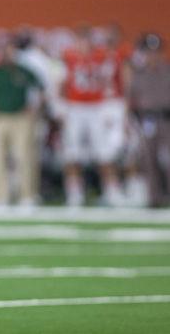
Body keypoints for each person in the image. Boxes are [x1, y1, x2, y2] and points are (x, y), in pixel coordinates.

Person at [61, 27, 124, 206]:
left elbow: (113, 79)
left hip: (97, 108)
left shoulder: (102, 57)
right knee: (72, 152)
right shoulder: (68, 58)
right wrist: (63, 107)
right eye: (80, 41)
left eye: (86, 40)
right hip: (75, 108)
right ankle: (74, 194)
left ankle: (112, 191)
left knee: (104, 152)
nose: (83, 45)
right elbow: (60, 84)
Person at [0, 40, 43, 205]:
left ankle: (27, 196)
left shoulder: (24, 71)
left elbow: (41, 88)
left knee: (23, 157)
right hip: (0, 117)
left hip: (20, 118)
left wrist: (33, 109)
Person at [129, 33, 170, 207]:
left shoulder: (167, 71)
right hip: (146, 120)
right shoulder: (138, 74)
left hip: (166, 119)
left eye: (155, 51)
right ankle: (154, 198)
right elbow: (132, 99)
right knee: (148, 160)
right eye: (149, 52)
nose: (152, 55)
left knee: (167, 159)